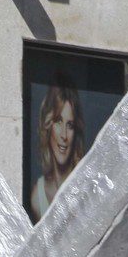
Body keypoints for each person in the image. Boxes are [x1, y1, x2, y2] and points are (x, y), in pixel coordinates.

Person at [29, 77, 86, 222]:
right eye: (59, 121)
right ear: (48, 125)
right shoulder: (37, 196)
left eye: (70, 125)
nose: (64, 136)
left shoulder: (84, 186)